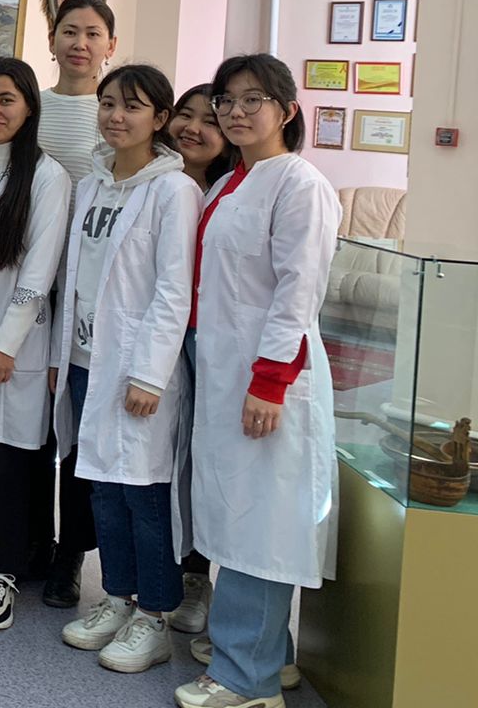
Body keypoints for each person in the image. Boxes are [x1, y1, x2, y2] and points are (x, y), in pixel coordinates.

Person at [175, 55, 339, 708]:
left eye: (254, 99)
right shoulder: (230, 182)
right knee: (237, 512)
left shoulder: (299, 183)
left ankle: (248, 681)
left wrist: (270, 381)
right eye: (227, 100)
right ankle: (268, 654)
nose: (236, 111)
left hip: (271, 377)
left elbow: (299, 292)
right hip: (223, 370)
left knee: (261, 524)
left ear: (287, 110)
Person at [51, 65, 197, 674]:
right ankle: (117, 597)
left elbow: (173, 290)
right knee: (101, 486)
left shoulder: (173, 191)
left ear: (159, 119)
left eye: (132, 106)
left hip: (137, 368)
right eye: (108, 104)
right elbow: (75, 276)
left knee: (144, 490)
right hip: (86, 359)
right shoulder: (92, 183)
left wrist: (149, 375)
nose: (116, 116)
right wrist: (61, 356)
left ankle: (155, 615)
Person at [0, 57, 70, 632]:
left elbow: (39, 271)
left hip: (11, 326)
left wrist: (6, 344)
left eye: (7, 100)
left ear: (29, 107)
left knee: (10, 454)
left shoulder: (48, 177)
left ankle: (3, 568)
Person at [36, 0, 118, 608]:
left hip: (92, 294)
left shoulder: (115, 113)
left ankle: (71, 555)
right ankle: (30, 544)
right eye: (69, 31)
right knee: (32, 429)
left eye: (93, 33)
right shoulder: (32, 107)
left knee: (82, 433)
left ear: (110, 45)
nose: (80, 43)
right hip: (31, 286)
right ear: (53, 40)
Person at [164, 81, 232, 634]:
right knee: (162, 458)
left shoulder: (227, 192)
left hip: (208, 340)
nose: (193, 128)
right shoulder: (155, 181)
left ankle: (195, 574)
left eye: (209, 120)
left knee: (199, 458)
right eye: (185, 115)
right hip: (157, 337)